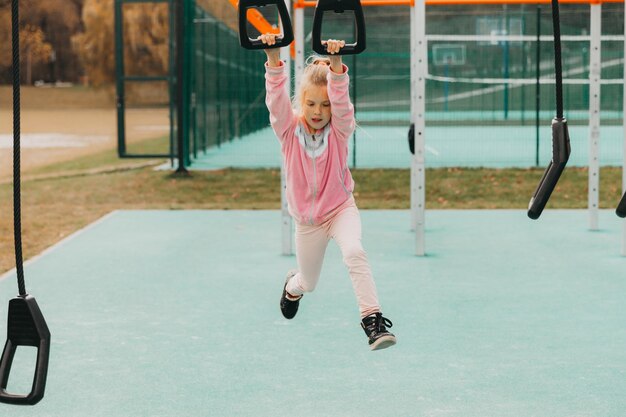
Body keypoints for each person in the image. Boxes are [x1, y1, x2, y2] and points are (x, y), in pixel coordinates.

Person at [260, 33, 396, 351]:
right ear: (301, 103)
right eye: (310, 103)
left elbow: (342, 106)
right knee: (309, 282)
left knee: (354, 252)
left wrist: (336, 66)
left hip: (339, 210)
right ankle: (292, 288)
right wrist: (273, 59)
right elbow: (276, 102)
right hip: (308, 222)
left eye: (324, 104)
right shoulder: (288, 130)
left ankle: (372, 320)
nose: (318, 111)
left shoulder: (339, 130)